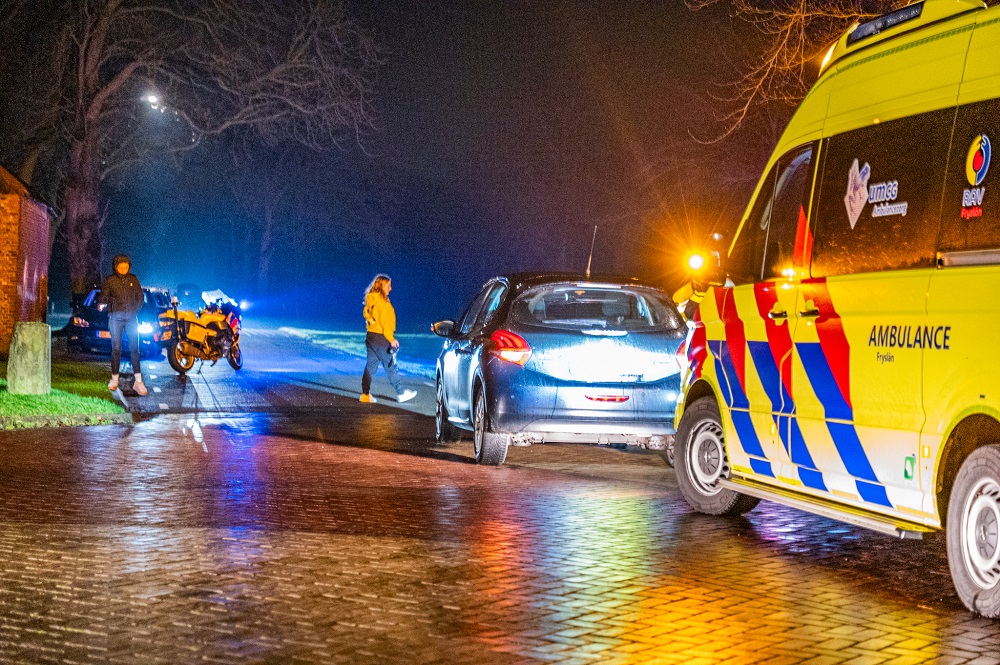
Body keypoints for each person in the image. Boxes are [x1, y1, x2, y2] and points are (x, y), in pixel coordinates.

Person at [361, 274, 417, 403]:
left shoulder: (371, 300)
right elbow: (386, 324)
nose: (390, 288)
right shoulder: (383, 304)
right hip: (381, 338)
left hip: (371, 336)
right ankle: (401, 392)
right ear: (381, 287)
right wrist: (391, 339)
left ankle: (365, 394)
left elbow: (367, 315)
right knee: (391, 365)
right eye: (388, 286)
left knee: (370, 366)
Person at [98, 254, 147, 396]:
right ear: (115, 267)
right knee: (116, 348)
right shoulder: (110, 281)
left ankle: (138, 382)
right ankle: (114, 379)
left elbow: (140, 297)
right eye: (121, 267)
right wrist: (103, 302)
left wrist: (135, 309)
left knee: (134, 349)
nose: (123, 270)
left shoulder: (133, 279)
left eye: (126, 267)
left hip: (131, 318)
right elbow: (104, 296)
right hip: (115, 318)